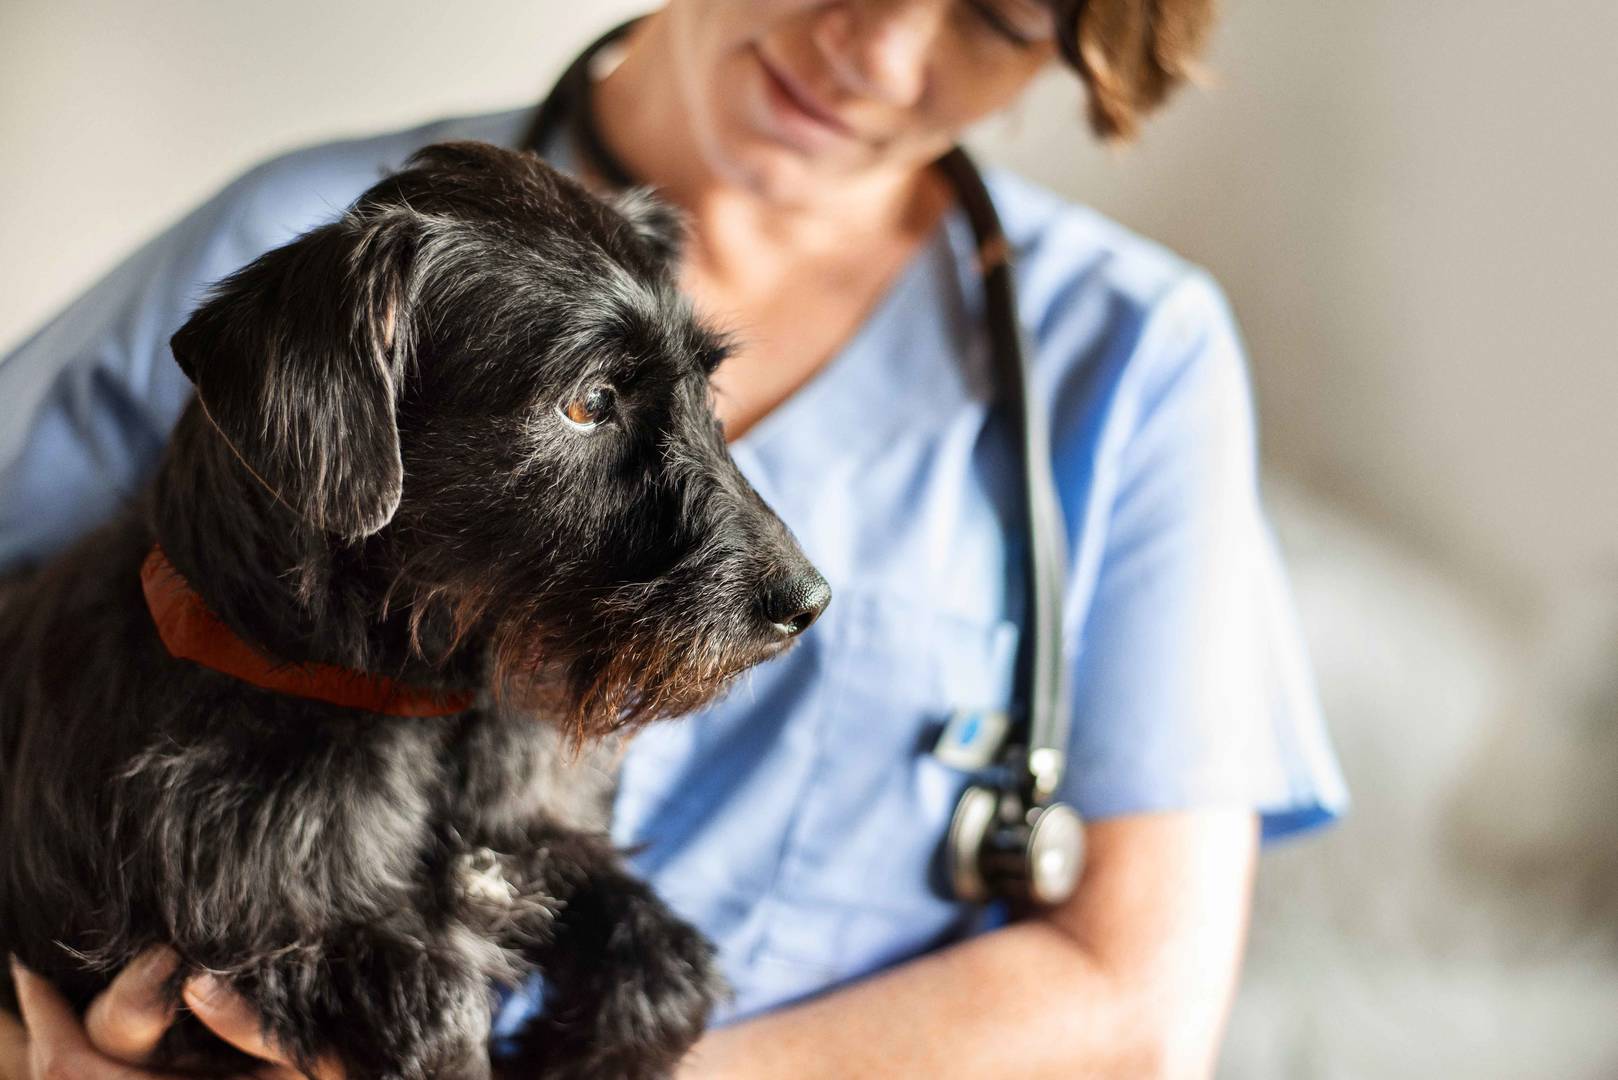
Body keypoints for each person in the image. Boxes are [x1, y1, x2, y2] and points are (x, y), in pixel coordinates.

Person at [0, 2, 1347, 1076]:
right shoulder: (305, 253)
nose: (878, 47)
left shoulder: (1126, 354)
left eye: (997, 14)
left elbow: (1135, 1005)